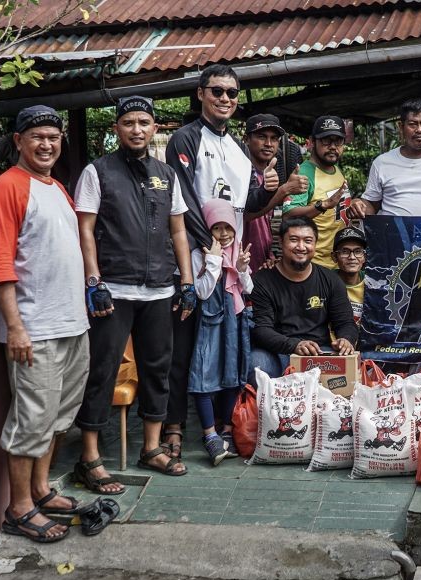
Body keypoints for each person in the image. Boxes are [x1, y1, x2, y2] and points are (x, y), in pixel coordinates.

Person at [72, 96, 196, 487]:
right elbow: (86, 229)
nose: (137, 129)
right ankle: (89, 456)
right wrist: (94, 280)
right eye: (129, 122)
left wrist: (187, 280)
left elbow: (178, 229)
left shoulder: (167, 174)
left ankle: (152, 448)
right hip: (114, 289)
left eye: (144, 122)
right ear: (116, 129)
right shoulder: (98, 172)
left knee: (158, 368)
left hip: (160, 289)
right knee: (102, 369)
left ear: (155, 128)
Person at [0, 105, 89, 542]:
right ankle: (19, 507)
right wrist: (16, 328)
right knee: (31, 421)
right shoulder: (6, 188)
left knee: (59, 419)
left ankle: (42, 490)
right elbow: (1, 264)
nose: (47, 144)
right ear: (18, 142)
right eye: (37, 137)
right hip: (35, 330)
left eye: (54, 136)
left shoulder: (57, 188)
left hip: (72, 324)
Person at [163, 64, 281, 459]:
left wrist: (283, 192)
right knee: (186, 349)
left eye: (232, 93)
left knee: (228, 349)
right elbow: (182, 201)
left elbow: (247, 208)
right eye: (218, 91)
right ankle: (175, 426)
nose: (226, 99)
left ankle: (224, 426)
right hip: (196, 259)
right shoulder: (185, 138)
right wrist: (210, 245)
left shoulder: (239, 151)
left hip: (233, 267)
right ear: (201, 93)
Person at [250, 216, 359, 378]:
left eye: (308, 241)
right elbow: (261, 329)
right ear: (281, 242)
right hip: (277, 352)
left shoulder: (330, 279)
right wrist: (295, 345)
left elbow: (345, 322)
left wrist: (346, 339)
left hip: (319, 350)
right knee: (257, 363)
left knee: (345, 370)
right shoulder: (262, 280)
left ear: (315, 244)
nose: (301, 247)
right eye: (294, 240)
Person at [189, 199, 254, 465]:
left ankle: (227, 429)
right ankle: (210, 435)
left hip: (234, 321)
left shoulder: (238, 251)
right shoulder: (198, 255)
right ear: (207, 228)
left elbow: (248, 289)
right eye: (217, 227)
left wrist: (240, 269)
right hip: (209, 322)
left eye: (228, 227)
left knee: (232, 375)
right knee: (203, 376)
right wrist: (214, 262)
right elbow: (201, 292)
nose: (224, 233)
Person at [346, 99, 421, 219]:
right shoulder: (382, 163)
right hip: (393, 235)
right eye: (412, 124)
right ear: (401, 127)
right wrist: (359, 205)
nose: (419, 130)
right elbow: (372, 204)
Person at [242, 113, 307, 272]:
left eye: (274, 138)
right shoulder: (240, 173)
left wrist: (272, 255)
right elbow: (246, 215)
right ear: (246, 139)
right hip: (241, 263)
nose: (269, 143)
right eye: (262, 136)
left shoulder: (270, 174)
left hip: (263, 262)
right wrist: (285, 190)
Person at [285, 115, 351, 269]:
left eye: (338, 141)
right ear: (312, 142)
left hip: (337, 263)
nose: (333, 146)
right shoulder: (305, 173)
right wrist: (323, 205)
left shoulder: (336, 169)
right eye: (326, 140)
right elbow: (288, 215)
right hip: (316, 265)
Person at [330, 226, 367, 325]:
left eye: (358, 251)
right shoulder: (325, 282)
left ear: (365, 257)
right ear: (334, 257)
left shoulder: (373, 283)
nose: (352, 257)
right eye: (345, 252)